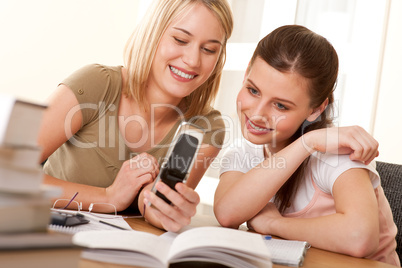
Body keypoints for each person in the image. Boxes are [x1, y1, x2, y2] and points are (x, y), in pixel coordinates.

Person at [38, 0, 233, 232]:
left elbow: (154, 205)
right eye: (180, 40)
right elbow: (7, 174)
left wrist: (164, 208)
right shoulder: (95, 86)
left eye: (209, 49)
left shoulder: (206, 127)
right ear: (153, 34)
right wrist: (108, 197)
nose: (193, 60)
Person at [214, 25, 399, 266]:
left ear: (316, 109)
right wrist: (307, 142)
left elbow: (359, 238)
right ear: (247, 72)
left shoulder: (336, 155)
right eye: (253, 90)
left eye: (281, 106)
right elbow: (227, 214)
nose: (258, 114)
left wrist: (274, 223)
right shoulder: (243, 152)